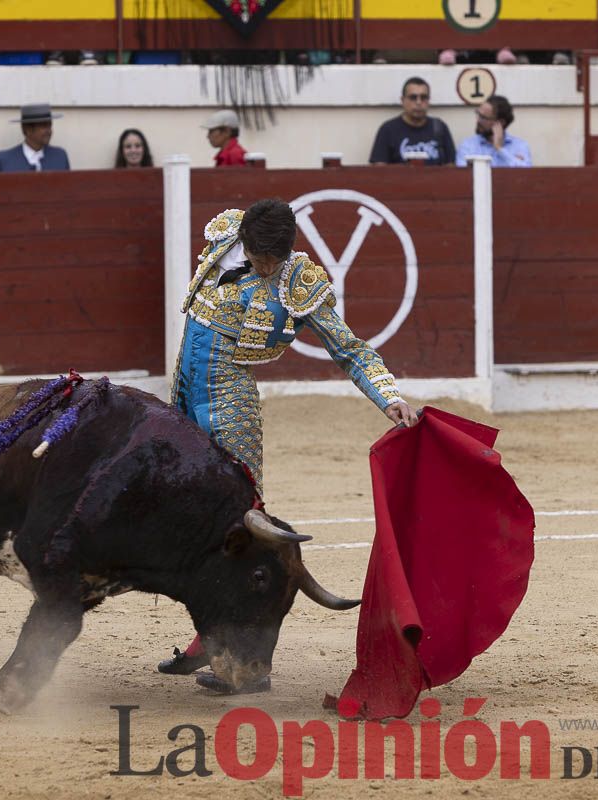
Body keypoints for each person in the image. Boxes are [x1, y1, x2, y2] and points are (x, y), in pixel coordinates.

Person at [159, 199, 417, 691]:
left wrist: (390, 399)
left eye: (276, 260)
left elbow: (350, 349)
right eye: (261, 260)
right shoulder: (225, 237)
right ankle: (209, 639)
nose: (269, 269)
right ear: (247, 243)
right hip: (184, 393)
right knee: (190, 516)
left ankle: (248, 662)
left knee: (241, 528)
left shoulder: (298, 281)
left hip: (229, 400)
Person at [369, 76, 456, 166]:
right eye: (413, 97)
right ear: (403, 100)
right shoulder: (388, 130)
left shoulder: (440, 127)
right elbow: (379, 170)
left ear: (429, 101)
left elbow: (451, 167)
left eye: (423, 97)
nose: (418, 102)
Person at [0, 103, 70, 172]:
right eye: (43, 126)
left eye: (50, 126)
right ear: (27, 129)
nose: (49, 131)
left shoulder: (60, 157)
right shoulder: (2, 161)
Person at [455, 95, 532, 168]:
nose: (478, 120)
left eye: (483, 118)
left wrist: (500, 149)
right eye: (478, 114)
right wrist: (513, 159)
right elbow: (463, 176)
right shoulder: (468, 146)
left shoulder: (520, 146)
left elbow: (526, 174)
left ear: (500, 123)